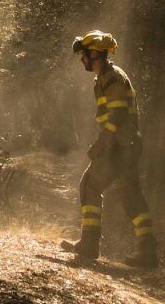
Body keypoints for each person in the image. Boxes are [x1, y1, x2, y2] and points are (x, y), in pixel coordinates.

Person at [61, 30, 158, 268]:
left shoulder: (112, 77)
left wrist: (101, 144)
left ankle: (90, 244)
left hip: (120, 147)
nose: (81, 60)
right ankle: (148, 252)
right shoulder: (105, 77)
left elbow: (117, 115)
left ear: (94, 53)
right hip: (126, 145)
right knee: (132, 197)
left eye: (83, 55)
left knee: (90, 184)